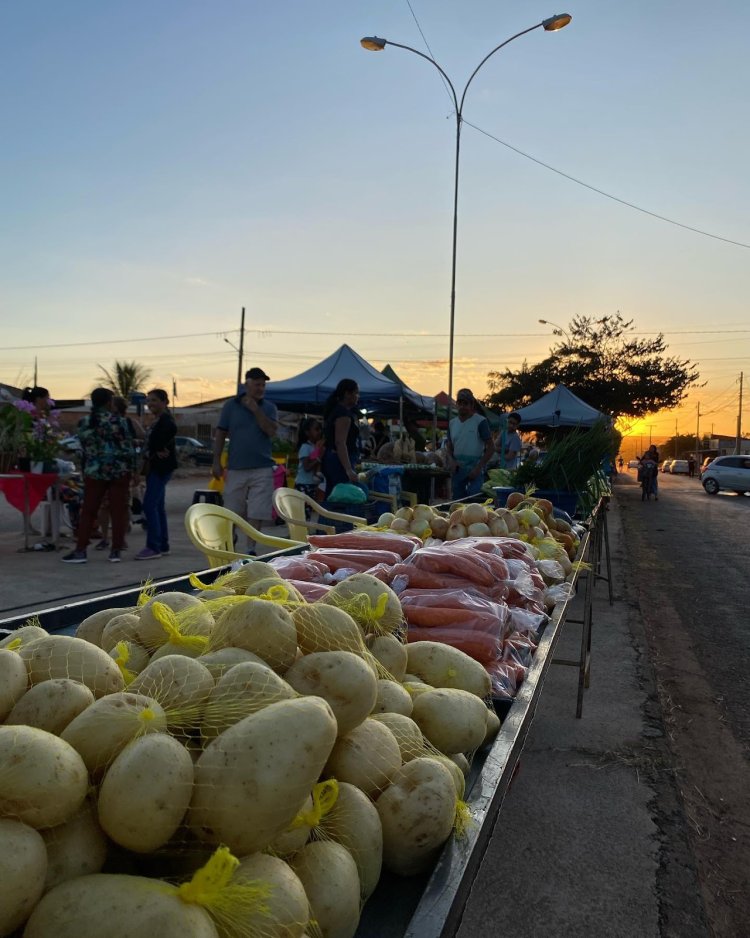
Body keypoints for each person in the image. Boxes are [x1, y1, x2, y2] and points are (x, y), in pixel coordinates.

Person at [61, 387, 136, 564]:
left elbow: (82, 448)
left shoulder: (85, 422)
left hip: (94, 472)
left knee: (88, 511)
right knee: (118, 511)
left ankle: (81, 550)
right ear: (109, 402)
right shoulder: (121, 422)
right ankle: (116, 551)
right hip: (119, 471)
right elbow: (129, 448)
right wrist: (133, 470)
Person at [212, 367, 278, 554]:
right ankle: (230, 544)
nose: (260, 388)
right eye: (257, 384)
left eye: (263, 385)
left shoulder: (269, 408)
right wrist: (216, 461)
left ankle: (250, 549)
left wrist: (255, 410)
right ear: (246, 384)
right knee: (231, 510)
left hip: (262, 467)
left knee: (258, 511)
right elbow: (220, 433)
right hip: (236, 467)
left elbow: (271, 431)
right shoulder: (230, 406)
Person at [96, 396, 145, 551]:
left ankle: (120, 538)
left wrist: (136, 469)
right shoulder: (102, 422)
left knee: (123, 506)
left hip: (122, 470)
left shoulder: (129, 423)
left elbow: (142, 438)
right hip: (104, 470)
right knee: (104, 506)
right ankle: (105, 537)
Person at [135, 389, 177, 561]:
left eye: (154, 400)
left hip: (160, 469)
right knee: (158, 506)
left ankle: (153, 546)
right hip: (157, 468)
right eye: (148, 400)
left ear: (164, 402)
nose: (150, 404)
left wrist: (158, 448)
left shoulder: (166, 421)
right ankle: (162, 544)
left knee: (149, 505)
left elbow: (166, 434)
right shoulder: (158, 420)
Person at [445, 388, 493, 500]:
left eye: (466, 403)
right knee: (457, 504)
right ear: (456, 404)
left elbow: (491, 447)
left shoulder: (480, 422)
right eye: (460, 403)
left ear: (472, 405)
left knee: (474, 503)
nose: (462, 406)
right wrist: (451, 461)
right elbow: (449, 446)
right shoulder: (452, 423)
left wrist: (478, 468)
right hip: (458, 471)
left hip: (475, 469)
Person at [322, 379, 361, 493]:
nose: (358, 396)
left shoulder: (335, 411)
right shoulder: (343, 415)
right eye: (356, 393)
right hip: (339, 462)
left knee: (332, 493)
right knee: (341, 495)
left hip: (333, 459)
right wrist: (348, 469)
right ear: (347, 394)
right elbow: (340, 442)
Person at [295, 417, 324, 512]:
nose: (319, 432)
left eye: (320, 429)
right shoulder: (305, 447)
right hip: (303, 484)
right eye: (316, 429)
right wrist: (319, 458)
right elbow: (307, 467)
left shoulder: (314, 447)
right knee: (303, 512)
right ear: (307, 432)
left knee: (307, 511)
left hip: (311, 484)